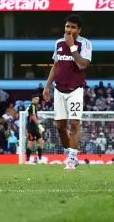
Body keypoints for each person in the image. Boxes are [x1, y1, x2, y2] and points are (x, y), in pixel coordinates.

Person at [43, 14, 92, 170]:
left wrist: (72, 47)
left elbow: (83, 65)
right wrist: (47, 87)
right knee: (60, 126)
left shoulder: (85, 44)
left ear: (79, 29)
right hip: (59, 89)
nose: (69, 30)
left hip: (75, 89)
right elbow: (56, 65)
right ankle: (69, 152)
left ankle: (71, 158)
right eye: (67, 26)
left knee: (75, 123)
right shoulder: (58, 43)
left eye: (73, 27)